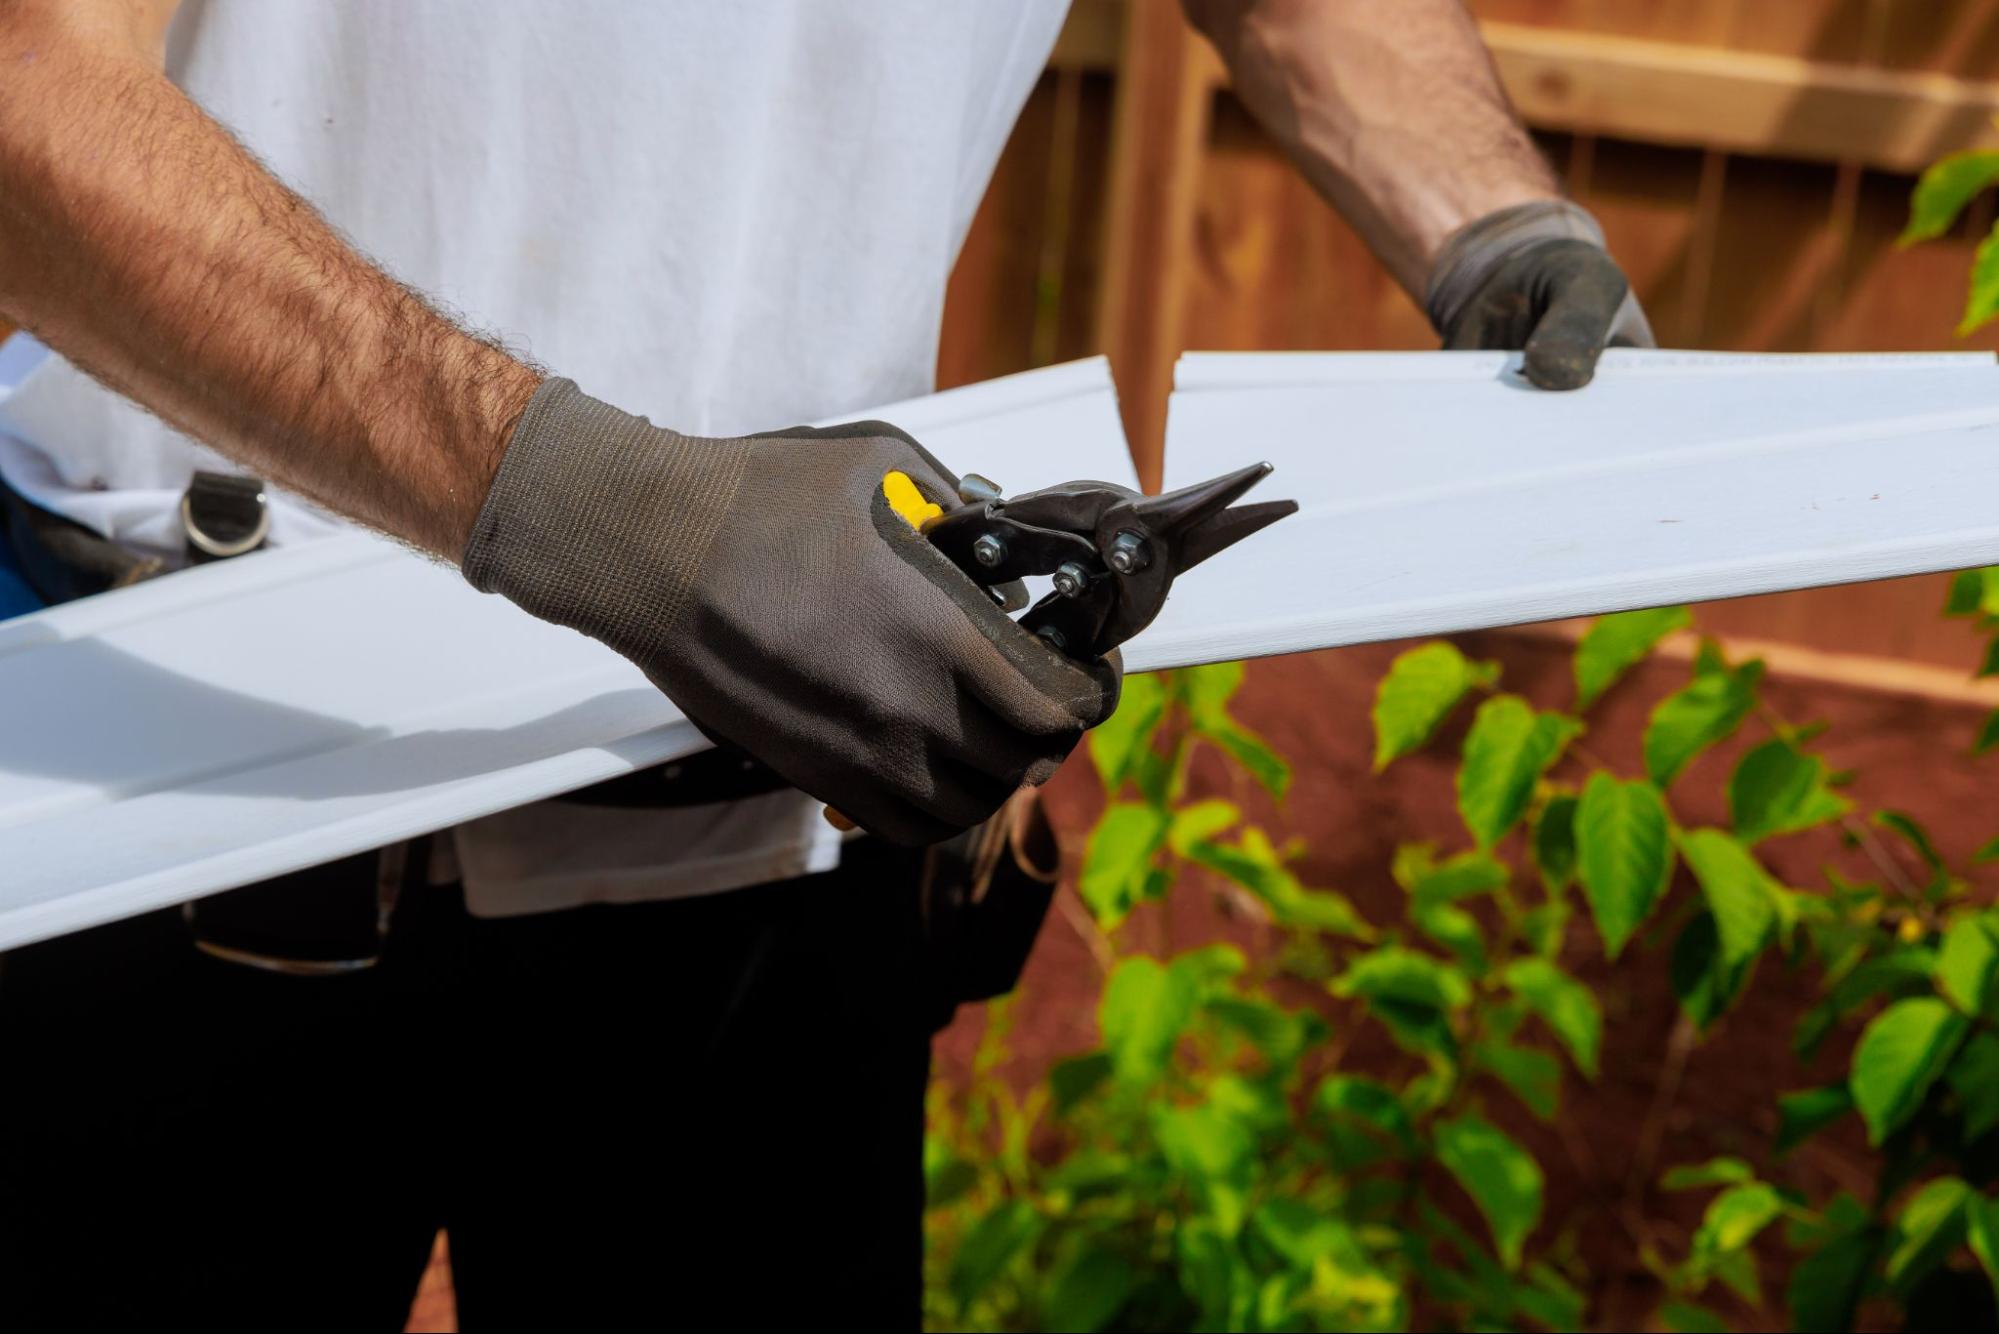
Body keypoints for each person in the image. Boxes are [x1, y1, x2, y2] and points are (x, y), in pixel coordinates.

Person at [0, 0, 1650, 1325]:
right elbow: (28, 93)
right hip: (181, 791)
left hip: (792, 784)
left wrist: (1491, 222)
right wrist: (619, 517)